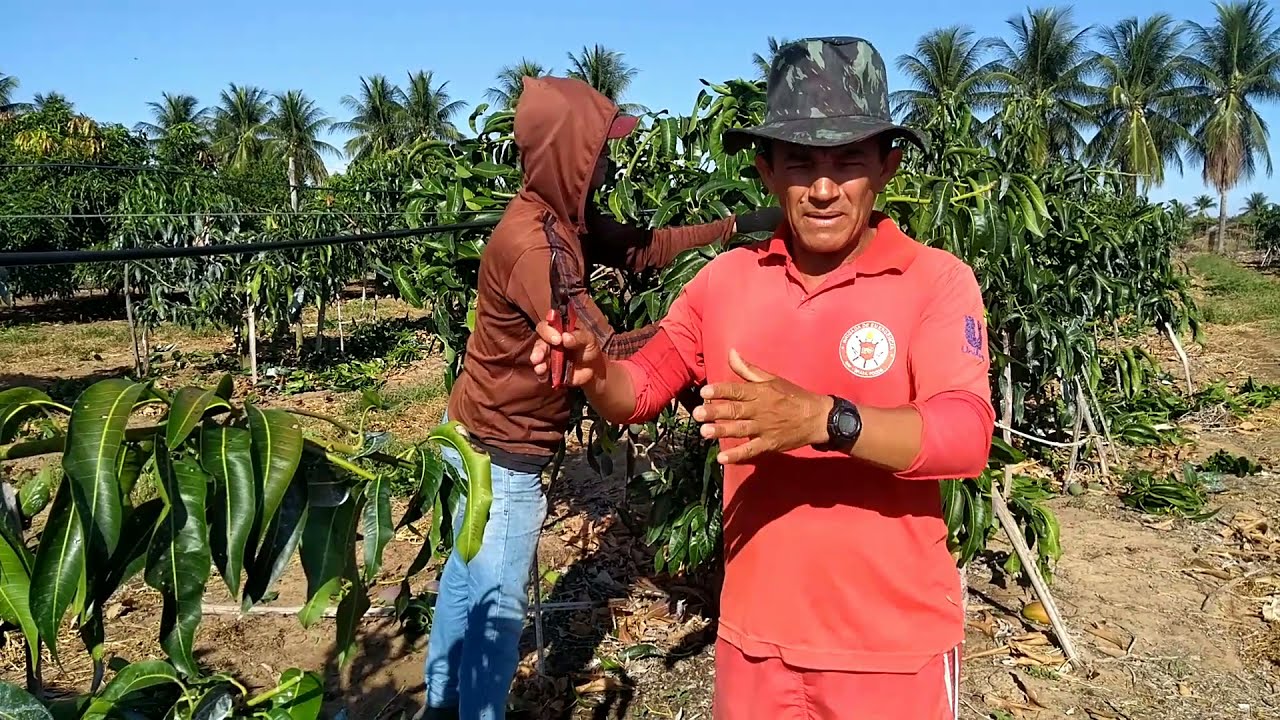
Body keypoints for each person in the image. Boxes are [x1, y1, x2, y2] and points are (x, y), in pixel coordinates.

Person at [531, 37, 995, 719]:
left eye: (849, 161)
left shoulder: (936, 281)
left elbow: (965, 436)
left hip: (892, 654)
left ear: (888, 167)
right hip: (756, 648)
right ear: (766, 169)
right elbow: (644, 386)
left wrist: (826, 420)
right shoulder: (726, 282)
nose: (825, 187)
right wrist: (596, 374)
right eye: (801, 163)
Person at [419, 75, 782, 720]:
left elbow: (644, 248)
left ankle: (441, 706)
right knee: (498, 616)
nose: (611, 165)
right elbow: (599, 351)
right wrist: (691, 328)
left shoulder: (562, 220)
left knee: (464, 585)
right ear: (569, 155)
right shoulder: (537, 245)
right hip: (501, 458)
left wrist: (732, 227)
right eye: (600, 152)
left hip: (471, 433)